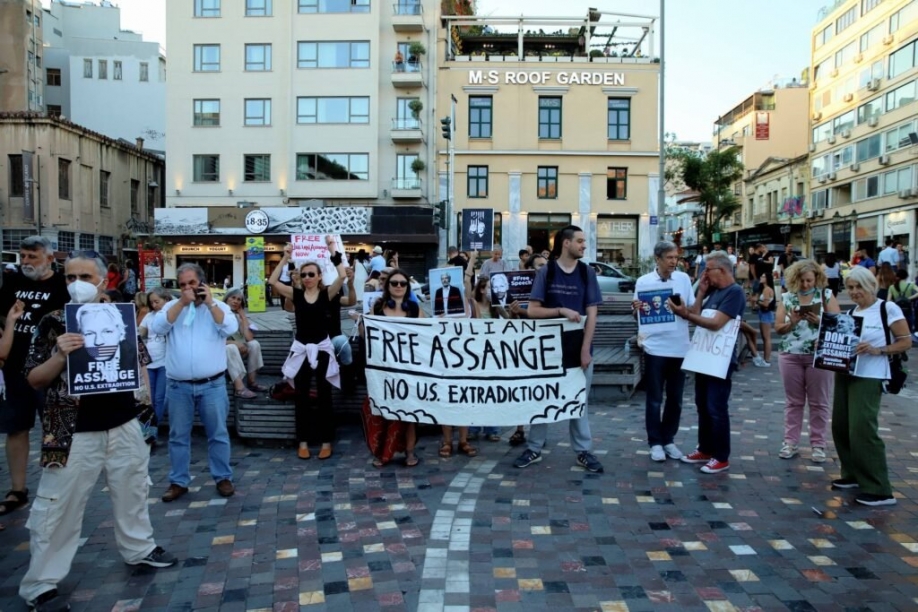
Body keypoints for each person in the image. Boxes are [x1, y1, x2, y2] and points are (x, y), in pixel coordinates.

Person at [20, 253, 176, 612]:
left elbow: (140, 371)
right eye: (71, 275)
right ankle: (41, 583)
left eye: (86, 276)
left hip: (123, 424)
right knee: (59, 507)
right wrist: (60, 356)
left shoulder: (121, 317)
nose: (77, 282)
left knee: (133, 491)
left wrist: (147, 422)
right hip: (72, 432)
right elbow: (34, 378)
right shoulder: (53, 322)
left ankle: (139, 548)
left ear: (103, 280)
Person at [513, 225, 604, 473]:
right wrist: (561, 311)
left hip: (578, 347)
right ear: (566, 243)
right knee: (543, 397)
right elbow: (533, 310)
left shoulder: (587, 273)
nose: (584, 245)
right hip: (549, 348)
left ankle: (583, 451)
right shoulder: (548, 272)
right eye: (580, 241)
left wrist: (586, 349)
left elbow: (592, 314)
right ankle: (534, 447)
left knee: (579, 401)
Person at [151, 263, 239, 502]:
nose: (187, 288)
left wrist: (210, 302)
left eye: (191, 283)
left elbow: (230, 327)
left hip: (212, 384)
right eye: (182, 285)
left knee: (218, 434)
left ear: (201, 282)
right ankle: (179, 481)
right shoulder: (172, 306)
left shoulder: (217, 306)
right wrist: (181, 303)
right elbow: (157, 327)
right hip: (179, 385)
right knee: (178, 436)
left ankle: (222, 477)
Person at [0, 237, 68, 520]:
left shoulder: (62, 285)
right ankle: (18, 489)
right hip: (14, 367)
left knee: (54, 429)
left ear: (49, 258)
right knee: (16, 428)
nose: (25, 262)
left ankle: (59, 491)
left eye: (32, 256)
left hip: (49, 369)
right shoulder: (13, 283)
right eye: (23, 256)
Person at [832, 267, 911, 506]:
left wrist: (879, 350)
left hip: (871, 375)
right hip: (846, 372)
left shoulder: (887, 308)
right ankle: (852, 474)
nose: (855, 292)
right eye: (850, 287)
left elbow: (906, 341)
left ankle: (879, 489)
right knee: (841, 426)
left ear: (871, 286)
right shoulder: (853, 311)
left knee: (863, 429)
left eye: (859, 287)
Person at [269, 239, 346, 460]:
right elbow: (273, 281)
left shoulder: (326, 294)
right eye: (304, 275)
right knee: (301, 396)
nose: (307, 278)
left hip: (321, 348)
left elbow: (341, 276)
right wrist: (285, 257)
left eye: (312, 274)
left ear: (319, 276)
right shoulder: (296, 294)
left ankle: (325, 441)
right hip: (301, 349)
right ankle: (302, 441)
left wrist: (333, 251)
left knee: (324, 396)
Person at [669, 253, 746, 474]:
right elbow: (695, 313)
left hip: (720, 360)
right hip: (704, 357)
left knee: (716, 407)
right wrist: (701, 292)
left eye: (708, 269)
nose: (704, 274)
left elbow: (715, 324)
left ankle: (721, 456)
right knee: (702, 404)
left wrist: (686, 314)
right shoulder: (713, 292)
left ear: (721, 270)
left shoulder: (735, 293)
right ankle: (705, 448)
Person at [632, 241, 694, 462]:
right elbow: (637, 313)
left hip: (679, 346)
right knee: (654, 397)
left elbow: (691, 309)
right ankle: (655, 442)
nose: (674, 262)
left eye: (676, 257)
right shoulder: (644, 281)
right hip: (655, 346)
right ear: (657, 259)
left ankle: (669, 439)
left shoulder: (684, 279)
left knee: (675, 398)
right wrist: (636, 310)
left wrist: (682, 308)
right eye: (669, 257)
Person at [774, 261, 840, 463]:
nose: (805, 285)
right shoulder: (786, 297)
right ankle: (790, 442)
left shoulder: (826, 295)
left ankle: (818, 445)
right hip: (790, 353)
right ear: (795, 279)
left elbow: (839, 325)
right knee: (793, 402)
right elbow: (777, 327)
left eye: (809, 280)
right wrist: (791, 322)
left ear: (817, 279)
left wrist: (819, 321)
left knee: (819, 402)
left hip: (818, 354)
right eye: (801, 280)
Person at [366, 269, 422, 468]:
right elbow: (369, 335)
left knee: (408, 414)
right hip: (383, 368)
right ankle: (382, 451)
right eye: (394, 283)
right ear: (387, 286)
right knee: (383, 412)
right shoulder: (378, 306)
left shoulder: (415, 309)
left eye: (403, 283)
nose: (399, 286)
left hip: (408, 368)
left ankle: (409, 452)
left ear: (408, 288)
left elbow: (425, 335)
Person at [138, 288, 171, 434]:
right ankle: (148, 428)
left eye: (157, 301)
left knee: (160, 397)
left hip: (165, 361)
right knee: (149, 397)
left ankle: (153, 429)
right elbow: (141, 333)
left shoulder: (171, 315)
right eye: (152, 302)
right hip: (150, 360)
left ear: (166, 300)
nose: (154, 305)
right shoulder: (149, 316)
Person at [223, 288, 265, 398]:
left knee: (254, 344)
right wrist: (233, 342)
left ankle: (251, 382)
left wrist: (243, 316)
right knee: (231, 347)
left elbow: (249, 338)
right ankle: (239, 388)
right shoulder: (218, 314)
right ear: (226, 299)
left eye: (239, 299)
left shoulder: (237, 316)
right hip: (219, 353)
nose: (236, 301)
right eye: (233, 298)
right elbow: (211, 340)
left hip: (239, 351)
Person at [752, 272, 776, 366]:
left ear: (767, 279)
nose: (761, 277)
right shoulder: (765, 289)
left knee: (766, 337)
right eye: (761, 276)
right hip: (763, 313)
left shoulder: (767, 289)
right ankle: (766, 359)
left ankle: (767, 360)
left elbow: (766, 304)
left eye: (763, 276)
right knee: (764, 337)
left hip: (765, 314)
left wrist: (757, 301)